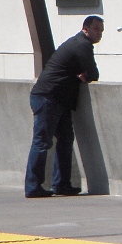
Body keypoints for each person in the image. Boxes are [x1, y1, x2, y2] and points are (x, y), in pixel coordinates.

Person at [24, 15, 103, 198]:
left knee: (66, 139)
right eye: (96, 29)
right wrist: (83, 76)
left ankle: (62, 184)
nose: (99, 33)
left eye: (101, 30)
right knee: (42, 142)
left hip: (59, 100)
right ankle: (33, 186)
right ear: (85, 29)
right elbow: (93, 74)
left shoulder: (76, 43)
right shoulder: (82, 45)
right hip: (47, 97)